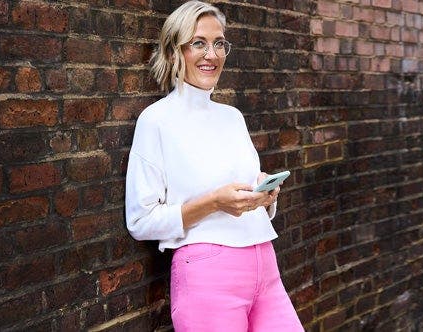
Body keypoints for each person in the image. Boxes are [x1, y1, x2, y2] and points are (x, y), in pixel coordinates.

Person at [125, 1, 304, 331]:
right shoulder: (156, 121)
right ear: (174, 51)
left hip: (265, 265)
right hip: (207, 274)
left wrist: (266, 196)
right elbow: (140, 219)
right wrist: (213, 203)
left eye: (219, 43)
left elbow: (246, 198)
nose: (212, 54)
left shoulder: (232, 117)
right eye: (199, 43)